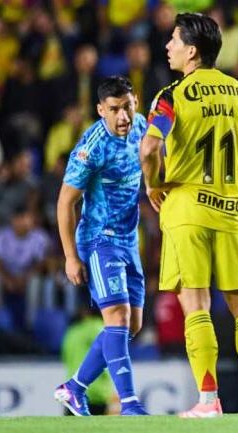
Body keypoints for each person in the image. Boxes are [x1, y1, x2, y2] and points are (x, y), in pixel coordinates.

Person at [139, 13, 238, 418]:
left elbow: (149, 149)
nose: (168, 46)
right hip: (230, 211)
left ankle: (208, 401)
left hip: (186, 210)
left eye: (174, 40)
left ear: (192, 51)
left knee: (197, 306)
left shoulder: (171, 95)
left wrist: (153, 185)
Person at [54, 76, 148, 416]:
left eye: (128, 107)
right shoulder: (90, 147)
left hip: (129, 239)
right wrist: (70, 257)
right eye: (114, 109)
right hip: (99, 239)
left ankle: (75, 387)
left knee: (131, 325)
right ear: (100, 110)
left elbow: (152, 158)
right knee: (118, 318)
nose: (123, 116)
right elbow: (65, 203)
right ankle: (129, 404)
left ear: (136, 103)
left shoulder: (142, 126)